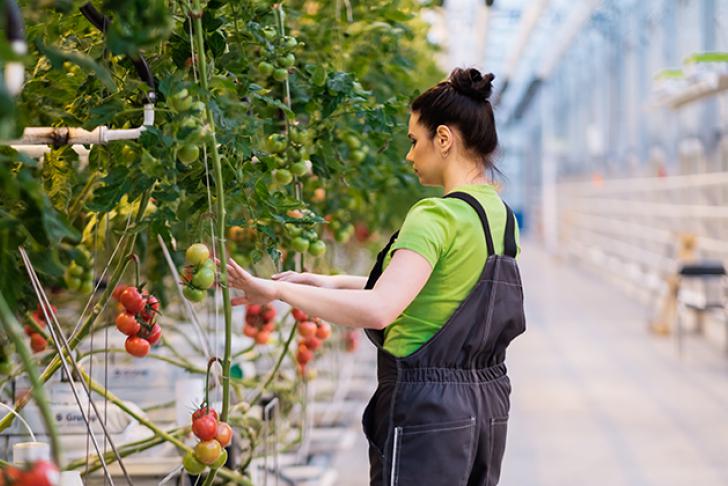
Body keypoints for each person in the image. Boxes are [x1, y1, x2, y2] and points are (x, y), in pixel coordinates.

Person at [226, 67, 526, 486]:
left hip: (427, 407)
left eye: (413, 141)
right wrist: (324, 283)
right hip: (485, 406)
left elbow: (381, 308)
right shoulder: (499, 216)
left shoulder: (435, 214)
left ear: (443, 139)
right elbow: (431, 293)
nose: (409, 155)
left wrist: (276, 291)